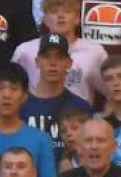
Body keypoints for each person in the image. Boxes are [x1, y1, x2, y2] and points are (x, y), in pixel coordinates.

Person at [20, 33, 93, 165]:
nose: (52, 63)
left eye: (59, 57)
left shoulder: (81, 107)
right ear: (37, 62)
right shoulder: (20, 105)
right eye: (46, 57)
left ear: (69, 63)